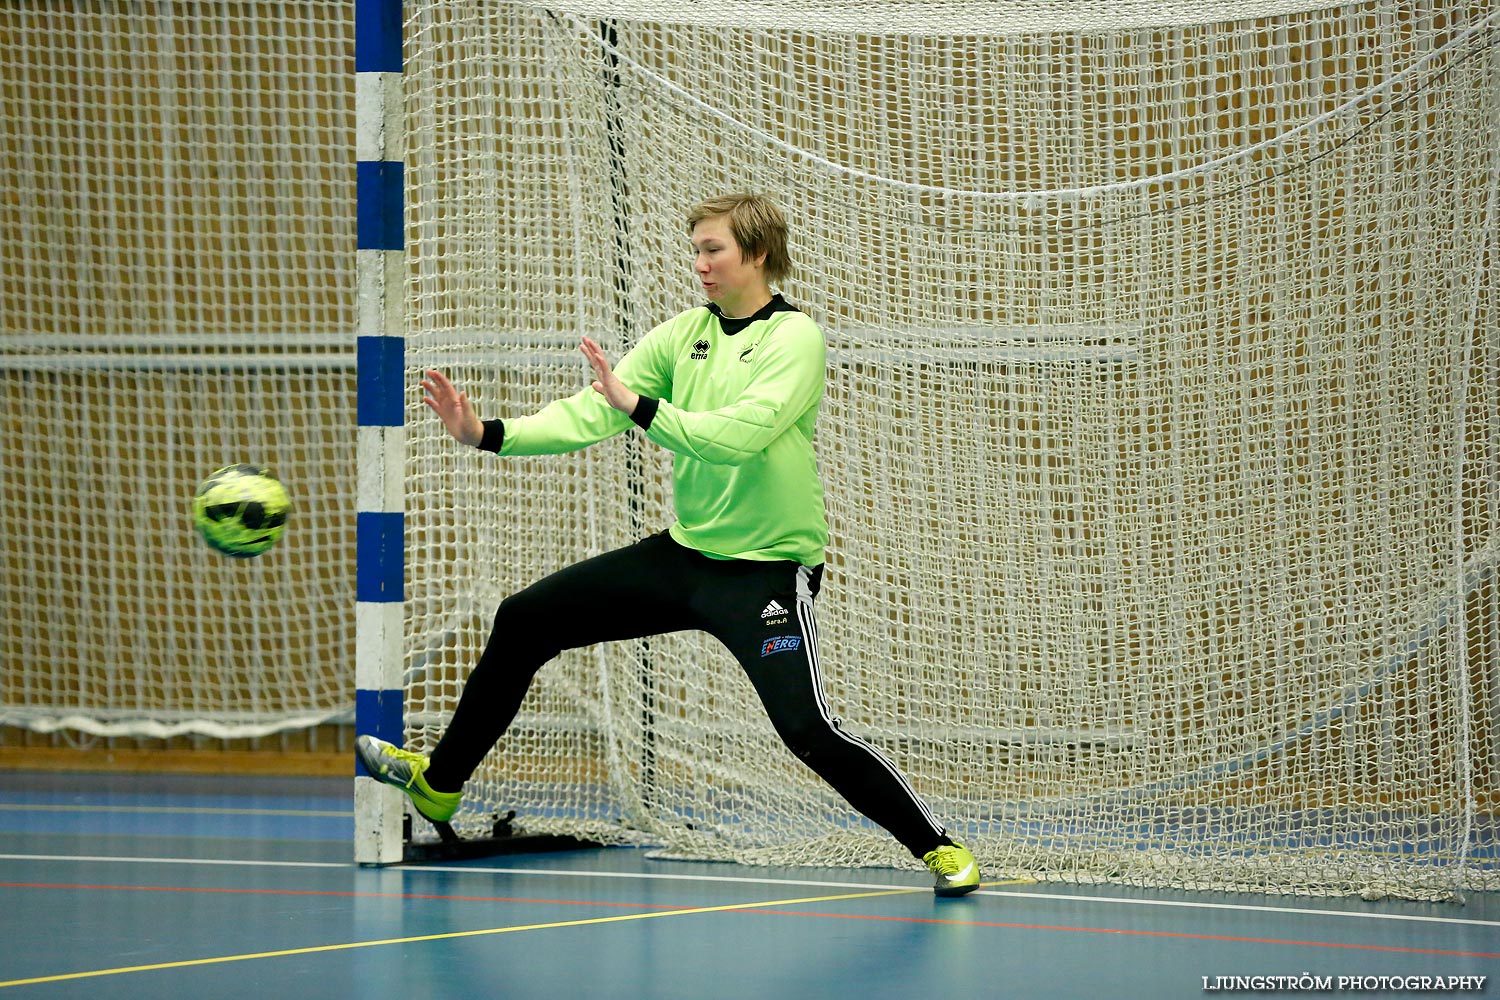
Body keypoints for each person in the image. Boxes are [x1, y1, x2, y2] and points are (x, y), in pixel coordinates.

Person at [357, 193, 980, 896]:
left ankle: (939, 848)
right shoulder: (684, 334)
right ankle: (441, 784)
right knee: (524, 619)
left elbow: (740, 435)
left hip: (767, 574)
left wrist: (640, 408)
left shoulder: (795, 339)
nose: (700, 264)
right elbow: (594, 410)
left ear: (758, 253)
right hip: (685, 558)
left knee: (807, 730)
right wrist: (489, 434)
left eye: (713, 249)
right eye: (697, 251)